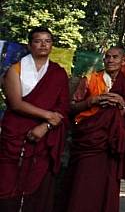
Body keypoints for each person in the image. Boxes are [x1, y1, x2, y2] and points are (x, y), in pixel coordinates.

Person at [0, 28, 69, 212]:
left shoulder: (58, 73)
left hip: (43, 136)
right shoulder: (15, 70)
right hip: (15, 132)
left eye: (48, 41)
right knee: (7, 184)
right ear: (30, 45)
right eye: (38, 41)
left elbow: (62, 107)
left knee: (37, 187)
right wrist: (47, 116)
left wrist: (45, 126)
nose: (43, 44)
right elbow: (16, 104)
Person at [62, 45, 125, 212]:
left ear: (124, 61)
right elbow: (71, 108)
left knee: (106, 187)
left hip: (111, 144)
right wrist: (92, 101)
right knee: (82, 184)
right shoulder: (90, 79)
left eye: (115, 57)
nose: (110, 60)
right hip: (89, 139)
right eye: (107, 57)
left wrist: (121, 103)